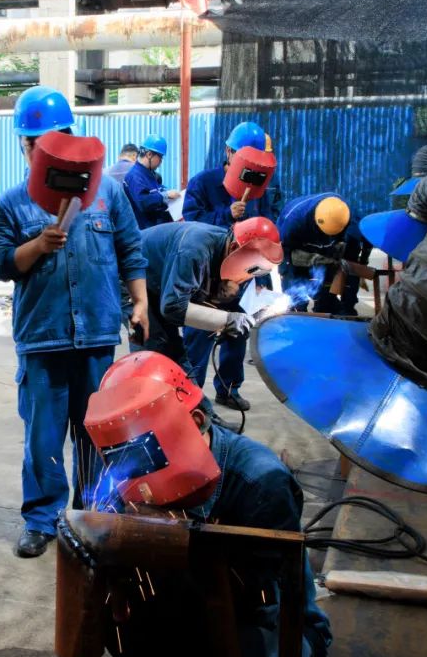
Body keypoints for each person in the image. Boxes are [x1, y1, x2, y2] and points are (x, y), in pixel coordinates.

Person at [84, 351, 333, 657]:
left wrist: (179, 538)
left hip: (262, 614)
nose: (139, 473)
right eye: (126, 456)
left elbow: (258, 595)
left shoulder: (260, 481)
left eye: (148, 453)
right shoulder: (127, 468)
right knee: (133, 639)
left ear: (196, 421)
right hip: (196, 601)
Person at [0, 86, 149, 559]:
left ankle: (92, 514)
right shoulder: (15, 203)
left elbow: (130, 249)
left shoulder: (107, 193)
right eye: (32, 145)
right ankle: (42, 519)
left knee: (96, 433)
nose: (40, 152)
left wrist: (140, 302)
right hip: (43, 338)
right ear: (24, 148)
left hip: (97, 333)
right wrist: (37, 246)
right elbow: (0, 263)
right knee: (43, 438)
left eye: (51, 142)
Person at [129, 217, 284, 430]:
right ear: (234, 248)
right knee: (154, 349)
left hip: (158, 282)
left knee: (176, 355)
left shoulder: (226, 248)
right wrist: (226, 320)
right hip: (132, 280)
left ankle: (204, 417)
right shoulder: (194, 249)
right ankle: (146, 427)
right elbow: (173, 307)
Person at [182, 121, 271, 413]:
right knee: (199, 335)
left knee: (238, 332)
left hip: (241, 274)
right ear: (229, 152)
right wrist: (225, 214)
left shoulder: (258, 189)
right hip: (206, 277)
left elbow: (264, 229)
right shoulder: (204, 182)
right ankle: (189, 399)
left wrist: (261, 278)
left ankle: (229, 389)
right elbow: (191, 224)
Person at [276, 192, 352, 314]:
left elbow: (345, 243)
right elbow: (285, 252)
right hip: (296, 247)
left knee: (326, 297)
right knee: (296, 295)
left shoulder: (342, 213)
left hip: (326, 248)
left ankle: (324, 309)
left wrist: (338, 261)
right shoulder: (293, 221)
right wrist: (288, 272)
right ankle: (297, 313)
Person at [123, 134, 180, 229]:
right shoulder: (135, 176)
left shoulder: (150, 174)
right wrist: (166, 195)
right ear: (149, 154)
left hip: (154, 229)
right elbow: (143, 201)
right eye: (160, 157)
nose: (161, 161)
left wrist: (168, 194)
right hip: (143, 232)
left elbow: (156, 191)